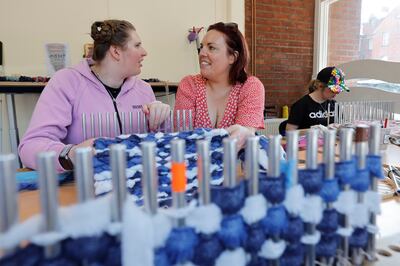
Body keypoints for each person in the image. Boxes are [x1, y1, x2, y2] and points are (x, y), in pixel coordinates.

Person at [19, 19, 170, 172]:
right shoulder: (66, 82)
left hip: (135, 186)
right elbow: (30, 146)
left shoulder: (144, 89)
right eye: (137, 45)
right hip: (82, 188)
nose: (144, 52)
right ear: (116, 51)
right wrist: (71, 154)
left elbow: (161, 151)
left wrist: (162, 121)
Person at [174, 22, 265, 148]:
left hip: (235, 164)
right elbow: (182, 138)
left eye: (211, 48)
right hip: (195, 164)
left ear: (232, 57)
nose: (201, 53)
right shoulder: (189, 84)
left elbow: (243, 137)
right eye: (202, 47)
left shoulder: (250, 86)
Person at [286, 66, 349, 131]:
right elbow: (289, 131)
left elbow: (342, 125)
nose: (337, 93)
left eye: (340, 90)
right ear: (320, 86)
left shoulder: (334, 104)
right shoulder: (301, 105)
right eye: (334, 89)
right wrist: (311, 131)